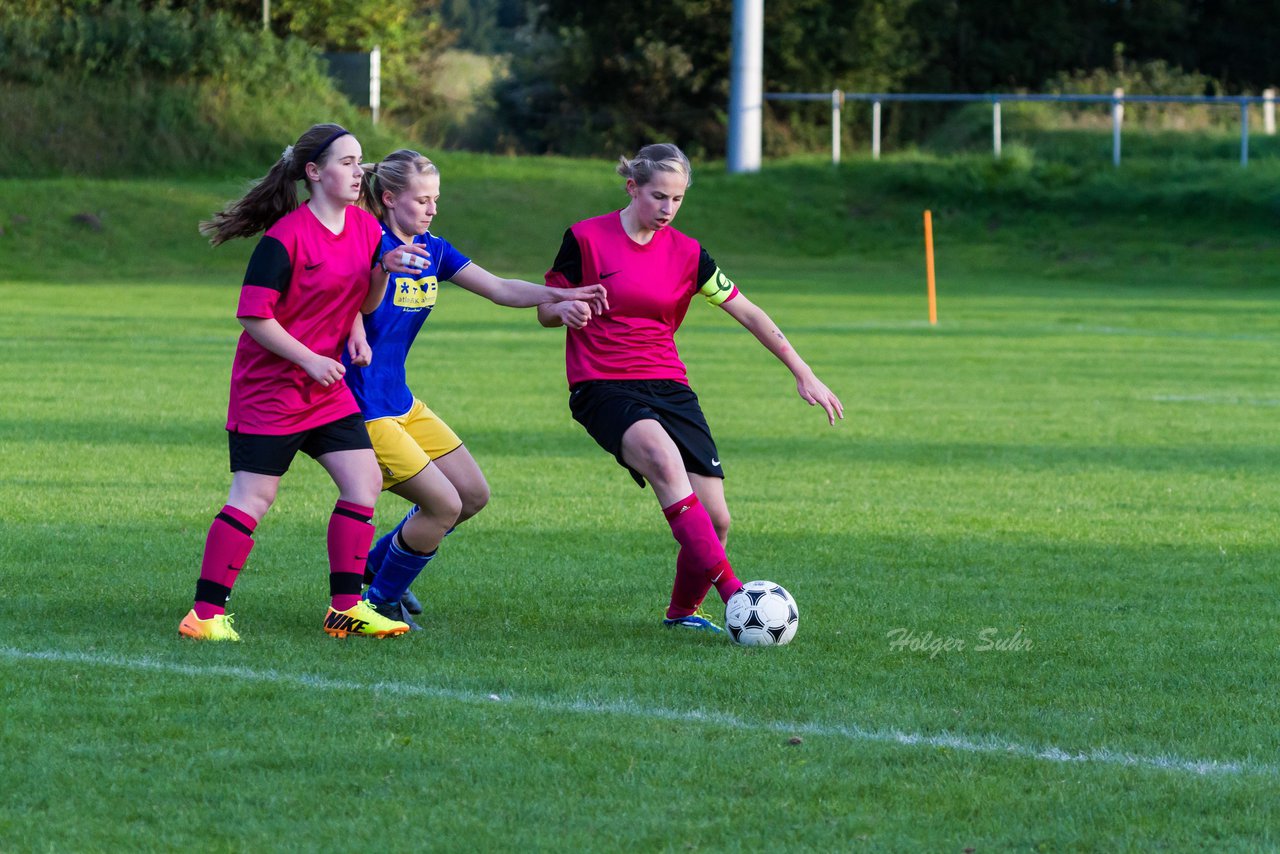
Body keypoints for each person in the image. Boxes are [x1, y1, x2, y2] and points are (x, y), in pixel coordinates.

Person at [539, 143, 843, 634]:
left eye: (677, 199)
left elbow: (747, 310)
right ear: (632, 186)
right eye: (658, 196)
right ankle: (738, 599)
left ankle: (681, 614)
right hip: (602, 384)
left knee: (717, 519)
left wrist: (802, 370)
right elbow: (545, 308)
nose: (667, 209)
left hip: (668, 384)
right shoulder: (585, 238)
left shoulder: (688, 253)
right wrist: (565, 310)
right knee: (662, 458)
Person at [178, 123, 430, 642]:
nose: (357, 171)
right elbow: (254, 317)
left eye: (360, 161)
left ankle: (345, 609)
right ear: (314, 172)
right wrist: (313, 359)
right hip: (269, 390)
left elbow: (360, 300)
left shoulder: (363, 228)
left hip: (325, 390)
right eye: (345, 162)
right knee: (253, 497)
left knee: (363, 483)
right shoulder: (284, 238)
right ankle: (203, 616)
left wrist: (376, 285)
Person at [346, 149, 608, 628]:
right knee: (442, 504)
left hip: (400, 400)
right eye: (422, 200)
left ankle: (378, 565)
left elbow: (500, 288)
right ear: (388, 198)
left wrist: (563, 294)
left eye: (436, 199)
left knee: (470, 495)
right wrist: (381, 266)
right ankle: (377, 603)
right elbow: (349, 303)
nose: (431, 209)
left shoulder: (434, 250)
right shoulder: (367, 246)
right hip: (362, 407)